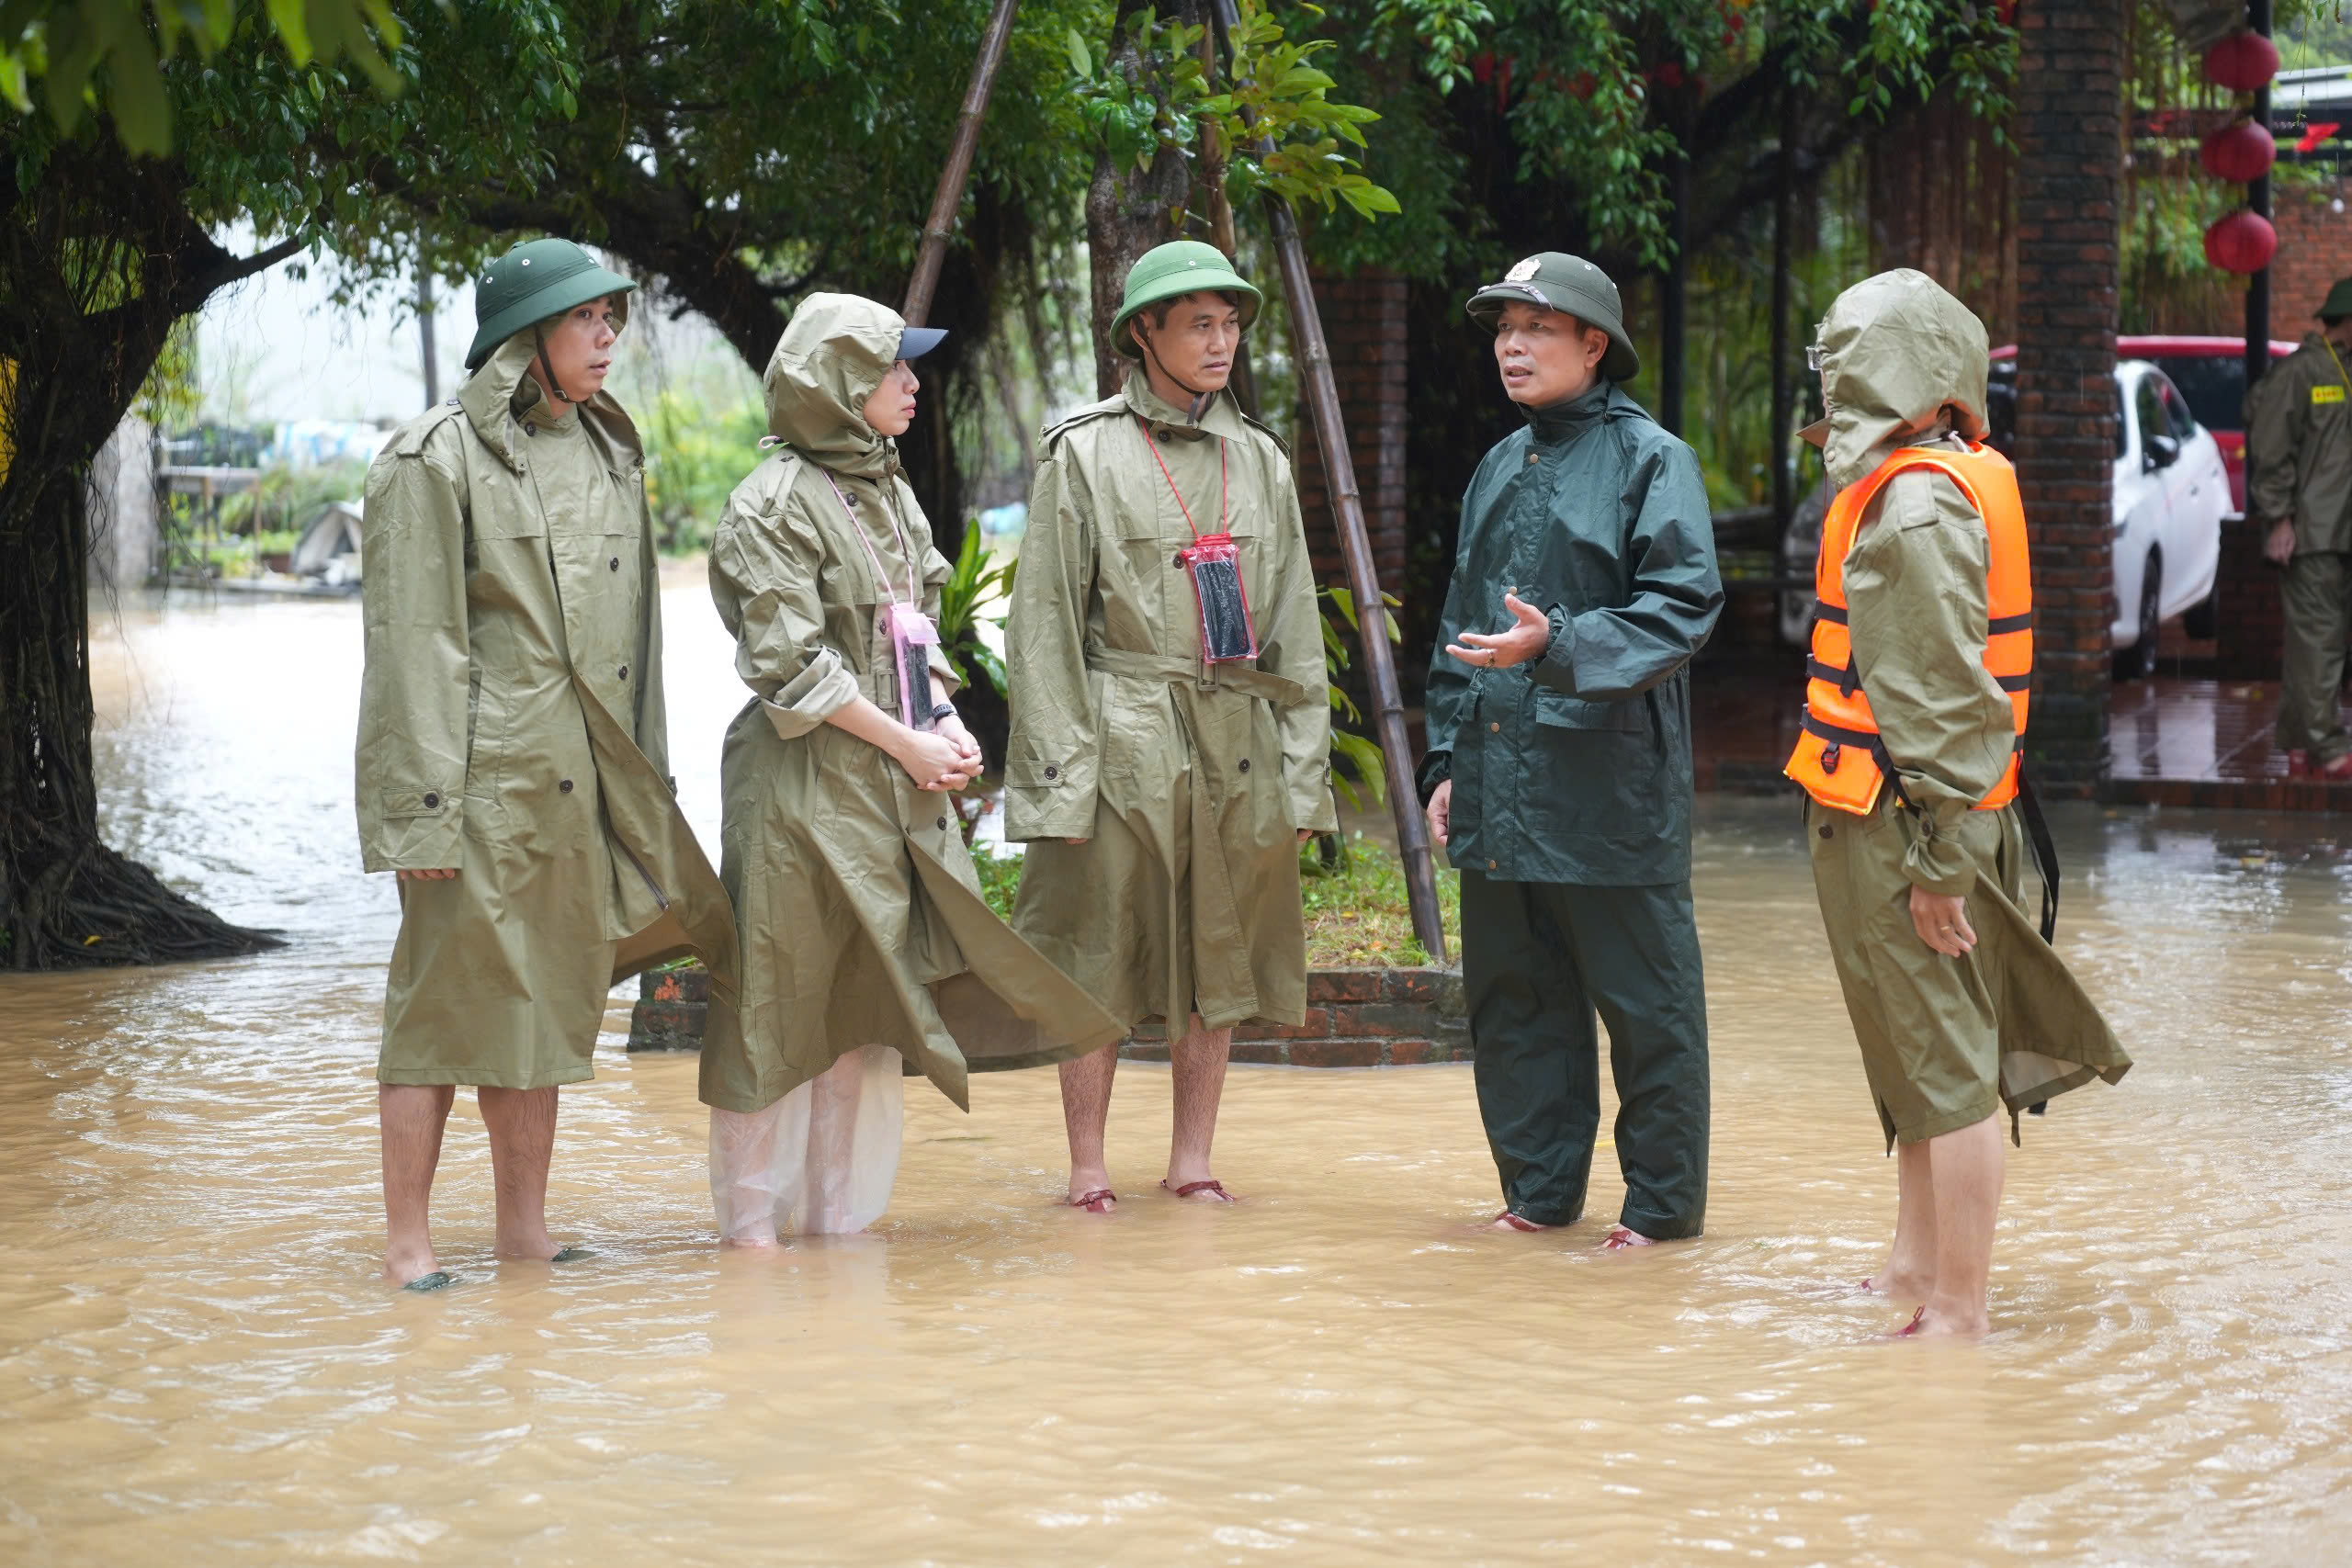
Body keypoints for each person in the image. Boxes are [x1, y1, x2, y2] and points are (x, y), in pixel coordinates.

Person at [697, 293, 1123, 1242]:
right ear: (841, 384)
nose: (914, 384)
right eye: (895, 369)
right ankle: (752, 1240)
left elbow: (917, 623)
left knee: (860, 1009)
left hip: (886, 789)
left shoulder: (885, 490)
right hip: (798, 793)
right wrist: (909, 743)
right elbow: (790, 669)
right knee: (773, 1012)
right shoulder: (767, 507)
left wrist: (943, 720)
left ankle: (837, 1222)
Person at [356, 238, 737, 1291]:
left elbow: (637, 648)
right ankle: (407, 1246)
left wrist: (644, 794)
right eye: (585, 320)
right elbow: (410, 649)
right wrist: (419, 817)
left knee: (548, 1008)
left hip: (580, 788)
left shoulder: (612, 450)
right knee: (438, 1016)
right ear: (525, 336)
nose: (608, 335)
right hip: (476, 786)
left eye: (614, 317)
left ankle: (523, 1230)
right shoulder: (430, 459)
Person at [1787, 268, 2132, 1337]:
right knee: (1914, 1058)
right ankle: (1910, 1267)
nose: (1832, 388)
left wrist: (1939, 864)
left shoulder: (1920, 500)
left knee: (1948, 1070)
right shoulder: (1942, 476)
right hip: (1885, 813)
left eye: (1845, 365)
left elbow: (1939, 698)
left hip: (1911, 822)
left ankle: (1958, 1311)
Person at [1003, 241, 1334, 1213]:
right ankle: (1086, 1167)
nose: (1220, 341)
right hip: (1121, 735)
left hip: (1236, 739)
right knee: (1096, 950)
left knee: (1218, 959)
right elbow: (1045, 630)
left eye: (1230, 322)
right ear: (1140, 333)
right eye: (1198, 322)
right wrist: (1060, 783)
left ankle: (1192, 1158)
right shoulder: (1084, 455)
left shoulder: (1261, 459)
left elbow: (1298, 630)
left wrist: (1304, 781)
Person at [1417, 252, 1722, 1249]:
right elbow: (1460, 628)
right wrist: (1443, 764)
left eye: (1536, 329)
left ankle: (1661, 1215)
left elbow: (1681, 610)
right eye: (1503, 329)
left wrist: (1563, 643)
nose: (1512, 346)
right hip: (1498, 784)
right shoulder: (1497, 466)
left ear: (1595, 345)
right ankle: (1539, 1197)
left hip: (1608, 786)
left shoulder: (1651, 460)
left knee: (1648, 1008)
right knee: (1516, 1003)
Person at [2248, 275, 2352, 780]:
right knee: (2320, 639)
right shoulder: (2302, 373)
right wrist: (2280, 520)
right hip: (2312, 534)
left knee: (2318, 640)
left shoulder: (2342, 371)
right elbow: (2270, 451)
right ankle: (2327, 745)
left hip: (2341, 533)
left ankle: (2298, 740)